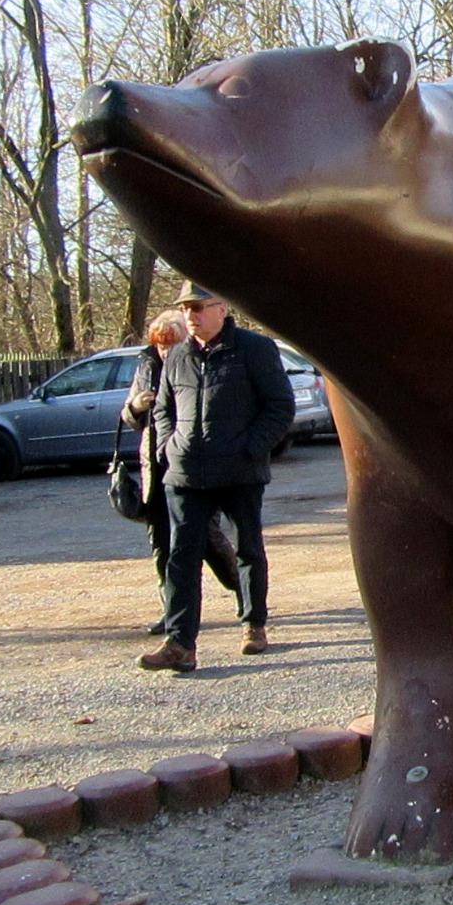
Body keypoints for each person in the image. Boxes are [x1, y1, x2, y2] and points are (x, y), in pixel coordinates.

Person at [138, 284, 295, 673]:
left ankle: (254, 623)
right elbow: (162, 408)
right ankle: (180, 644)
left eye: (198, 307)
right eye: (186, 309)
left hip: (239, 472)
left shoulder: (255, 350)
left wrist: (251, 448)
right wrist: (169, 449)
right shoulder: (177, 355)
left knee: (247, 551)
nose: (191, 315)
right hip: (186, 473)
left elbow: (280, 406)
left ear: (222, 308)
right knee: (181, 558)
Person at [122, 309, 241, 634]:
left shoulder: (195, 362)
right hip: (156, 469)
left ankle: (243, 594)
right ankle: (172, 612)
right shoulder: (146, 367)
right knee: (163, 546)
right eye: (160, 345)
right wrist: (136, 408)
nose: (164, 351)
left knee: (209, 541)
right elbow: (128, 415)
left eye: (170, 343)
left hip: (193, 468)